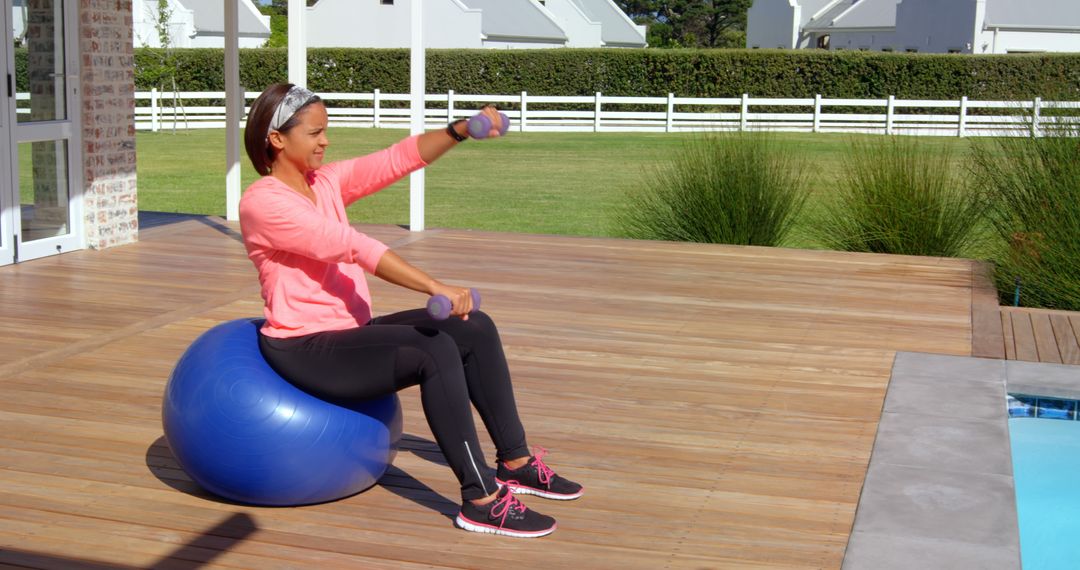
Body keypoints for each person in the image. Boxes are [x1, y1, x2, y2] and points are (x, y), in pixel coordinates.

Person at [238, 83, 582, 538]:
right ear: (277, 139)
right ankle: (480, 499)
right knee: (432, 350)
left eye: (326, 131)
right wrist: (434, 285)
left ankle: (515, 462)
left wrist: (462, 129)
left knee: (471, 326)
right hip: (305, 348)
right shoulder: (263, 203)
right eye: (315, 132)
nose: (325, 141)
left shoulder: (324, 183)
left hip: (348, 333)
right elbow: (352, 246)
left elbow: (397, 159)